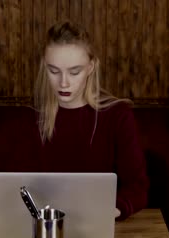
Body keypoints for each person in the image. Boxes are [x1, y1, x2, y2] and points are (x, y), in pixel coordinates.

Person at [17, 21, 149, 221]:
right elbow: (18, 186)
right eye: (54, 71)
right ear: (44, 65)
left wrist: (112, 210)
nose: (63, 82)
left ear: (91, 67)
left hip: (100, 223)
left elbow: (138, 188)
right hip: (46, 226)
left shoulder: (118, 116)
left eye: (74, 72)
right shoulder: (32, 116)